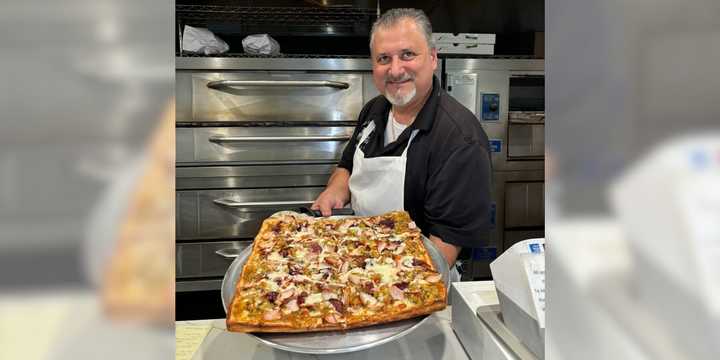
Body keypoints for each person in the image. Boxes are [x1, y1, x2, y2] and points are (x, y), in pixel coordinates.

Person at [311, 8, 492, 282]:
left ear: (432, 58)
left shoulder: (459, 140)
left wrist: (376, 285)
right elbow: (347, 165)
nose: (395, 70)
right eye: (384, 58)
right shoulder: (375, 110)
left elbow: (442, 252)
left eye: (408, 55)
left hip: (413, 284)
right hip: (356, 263)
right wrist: (335, 189)